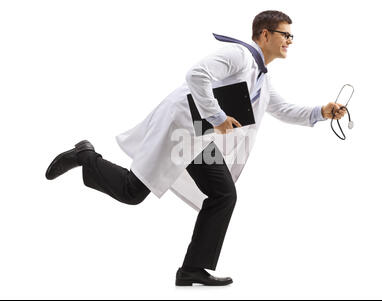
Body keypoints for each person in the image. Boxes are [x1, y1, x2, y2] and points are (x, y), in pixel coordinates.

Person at [45, 10, 347, 286]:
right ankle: (86, 156)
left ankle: (193, 268)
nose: (290, 41)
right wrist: (217, 117)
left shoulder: (262, 79)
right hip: (179, 125)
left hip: (199, 136)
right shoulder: (238, 54)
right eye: (286, 35)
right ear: (265, 34)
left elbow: (282, 109)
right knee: (131, 192)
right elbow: (196, 75)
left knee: (224, 193)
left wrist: (322, 111)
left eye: (291, 36)